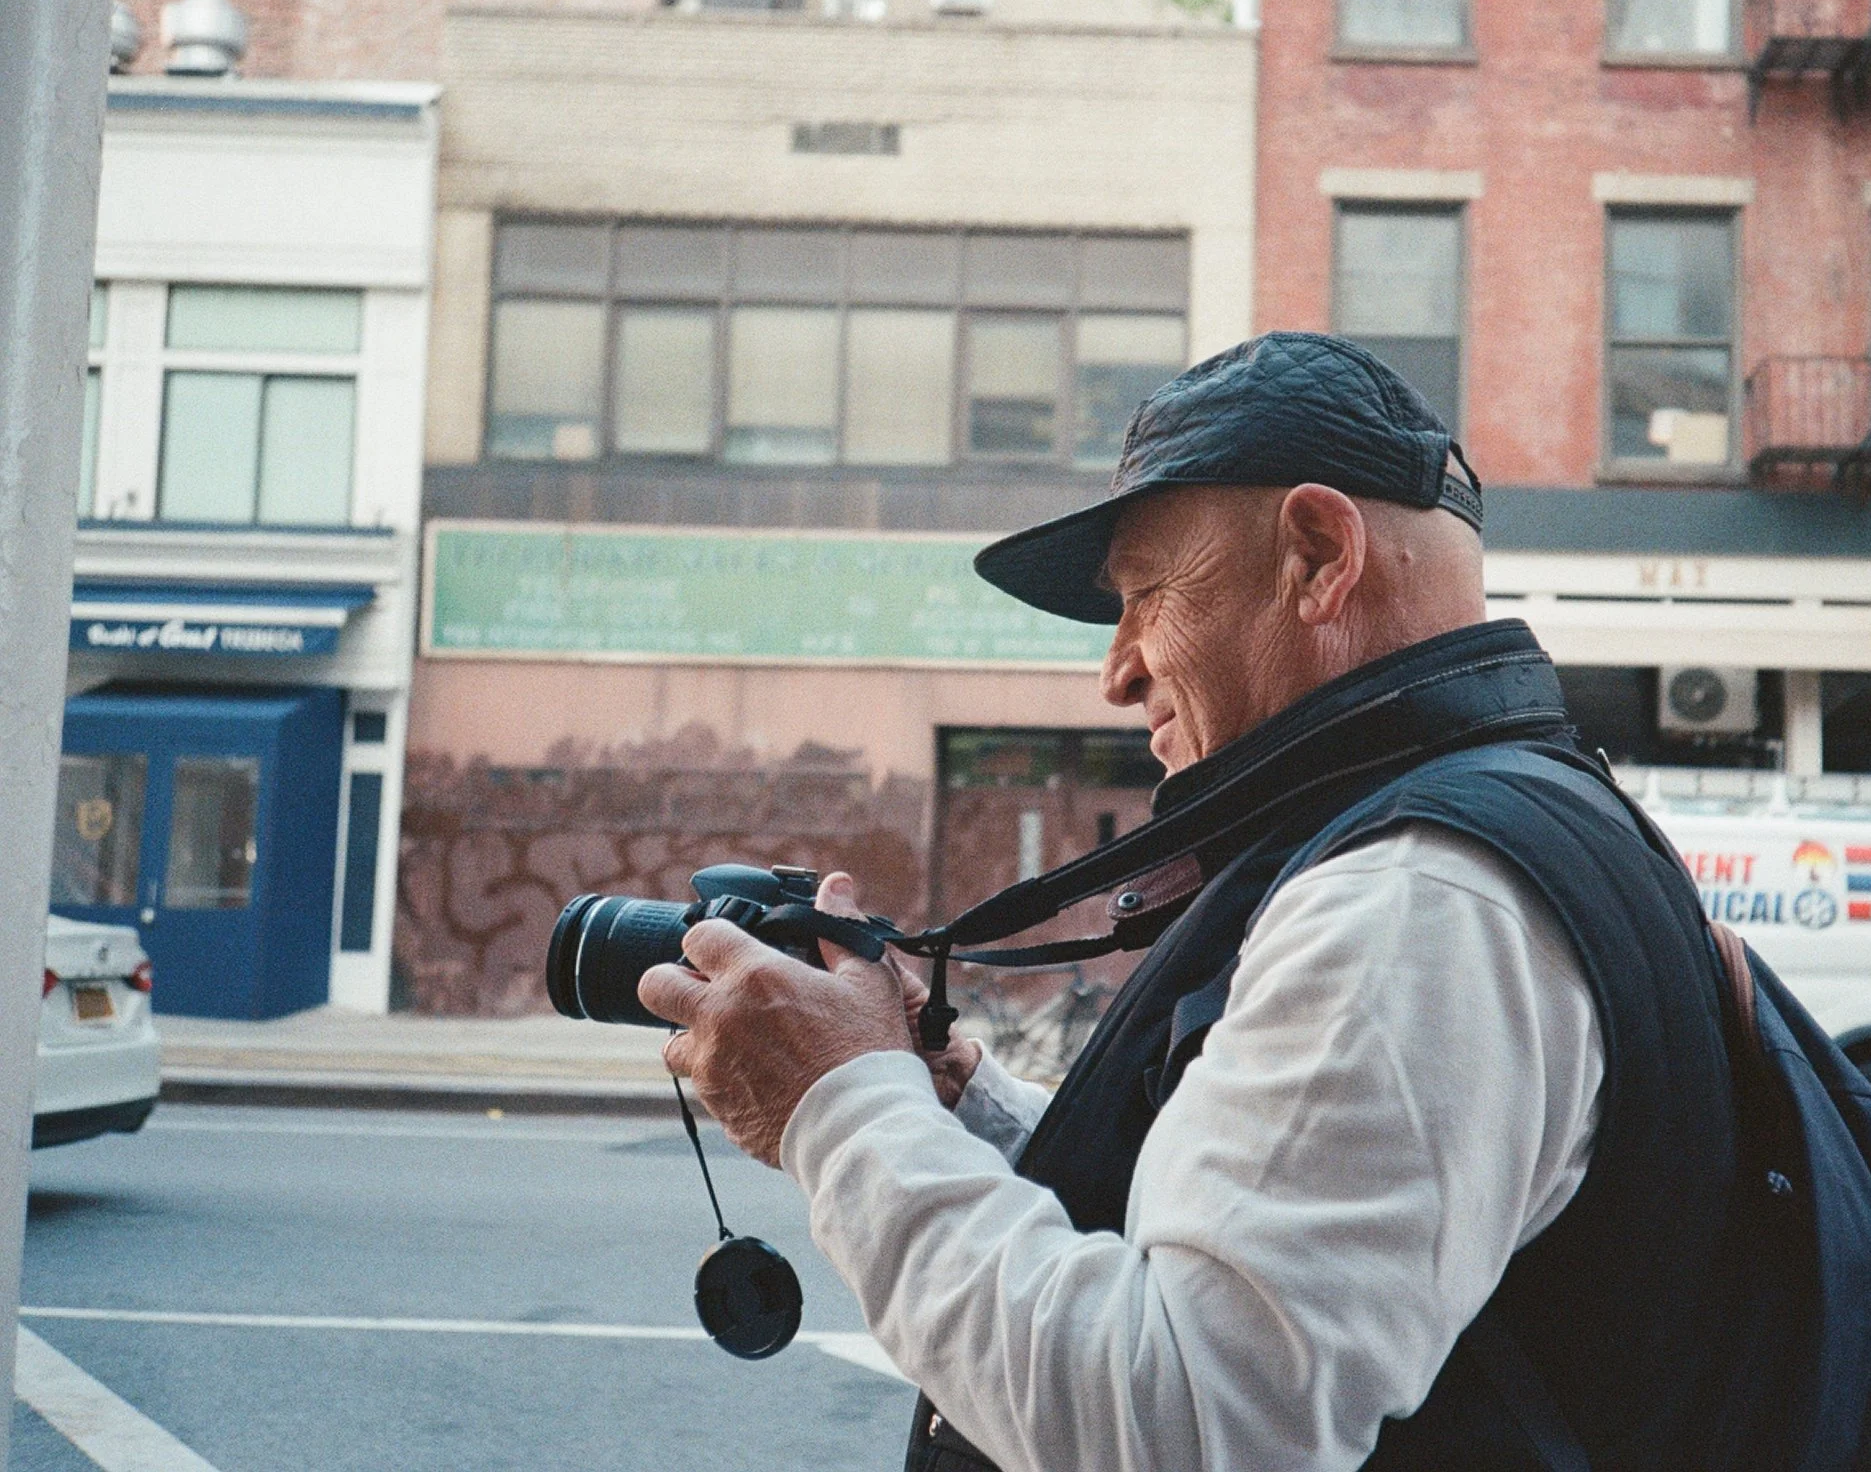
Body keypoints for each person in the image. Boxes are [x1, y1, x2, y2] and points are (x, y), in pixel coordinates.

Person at [641, 332, 1746, 1471]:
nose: (1117, 670)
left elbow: (1183, 1421)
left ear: (1318, 556)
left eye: (1145, 596)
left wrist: (844, 1109)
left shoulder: (1415, 899)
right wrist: (961, 1113)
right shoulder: (1495, 821)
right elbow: (1236, 1236)